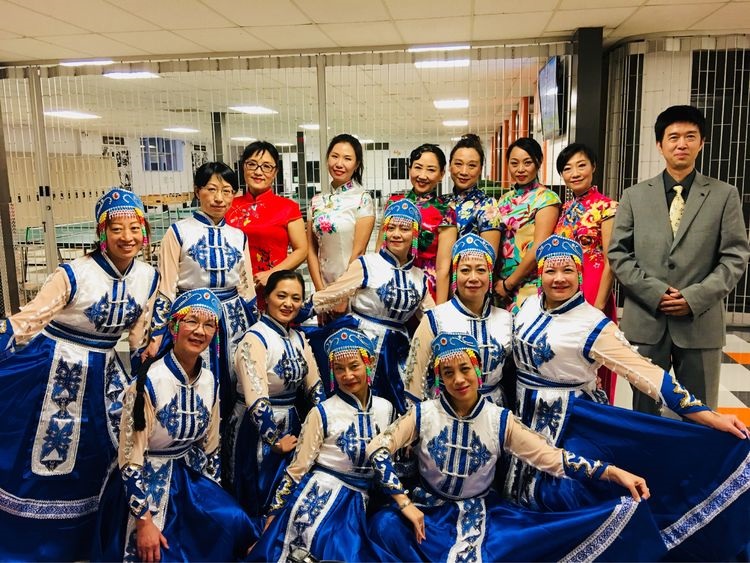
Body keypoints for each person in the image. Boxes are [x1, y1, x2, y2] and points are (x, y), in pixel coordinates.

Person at [508, 234, 750, 560]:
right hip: (522, 416)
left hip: (572, 420)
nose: (559, 278)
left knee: (566, 493)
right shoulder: (526, 307)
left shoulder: (593, 324)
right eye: (550, 271)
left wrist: (711, 417)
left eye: (568, 270)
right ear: (540, 274)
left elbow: (648, 376)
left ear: (580, 273)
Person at [366, 332, 668, 562]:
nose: (458, 380)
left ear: (478, 369)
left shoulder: (499, 420)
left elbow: (553, 459)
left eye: (465, 369)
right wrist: (404, 504)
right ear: (439, 379)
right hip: (429, 510)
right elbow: (377, 449)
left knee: (516, 545)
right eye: (448, 373)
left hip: (478, 513)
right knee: (385, 525)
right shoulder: (424, 414)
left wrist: (614, 473)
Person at [0, 188, 158, 561]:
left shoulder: (148, 276)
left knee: (107, 453)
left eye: (134, 228)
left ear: (144, 231)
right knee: (47, 460)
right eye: (116, 229)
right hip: (58, 369)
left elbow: (139, 338)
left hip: (106, 372)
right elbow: (28, 320)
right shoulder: (73, 273)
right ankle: (37, 543)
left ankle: (92, 538)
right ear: (102, 233)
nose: (127, 237)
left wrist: (148, 374)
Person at [93, 289, 256, 562]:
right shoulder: (148, 383)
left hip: (189, 478)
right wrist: (144, 521)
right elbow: (130, 460)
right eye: (192, 321)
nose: (200, 331)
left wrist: (213, 497)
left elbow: (211, 448)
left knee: (237, 523)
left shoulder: (209, 380)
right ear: (173, 327)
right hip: (146, 480)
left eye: (209, 325)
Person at [609, 105, 750, 413]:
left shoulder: (724, 195)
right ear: (660, 145)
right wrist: (655, 293)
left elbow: (735, 256)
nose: (681, 144)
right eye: (673, 137)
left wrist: (694, 297)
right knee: (645, 411)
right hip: (647, 322)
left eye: (690, 136)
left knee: (701, 413)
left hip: (700, 322)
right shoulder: (634, 196)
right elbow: (618, 253)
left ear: (702, 143)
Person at [247, 327, 394, 563]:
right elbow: (297, 470)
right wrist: (273, 517)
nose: (347, 375)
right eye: (339, 369)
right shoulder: (323, 412)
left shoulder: (386, 409)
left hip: (360, 500)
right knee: (336, 551)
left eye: (354, 366)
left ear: (369, 364)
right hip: (322, 495)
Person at [145, 161, 257, 422]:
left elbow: (246, 285)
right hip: (192, 316)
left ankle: (229, 442)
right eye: (211, 189)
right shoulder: (178, 232)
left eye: (227, 191)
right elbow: (166, 285)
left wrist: (255, 326)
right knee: (194, 379)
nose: (219, 198)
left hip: (233, 318)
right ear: (197, 191)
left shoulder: (238, 236)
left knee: (235, 379)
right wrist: (157, 333)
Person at [305, 199, 433, 414]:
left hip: (397, 351)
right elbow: (331, 295)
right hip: (361, 343)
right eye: (391, 228)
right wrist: (296, 312)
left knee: (398, 407)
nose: (396, 234)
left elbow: (433, 318)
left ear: (415, 234)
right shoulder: (367, 264)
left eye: (404, 229)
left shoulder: (420, 278)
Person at [227, 270, 325, 517]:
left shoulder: (298, 338)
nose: (288, 303)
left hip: (292, 422)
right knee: (256, 495)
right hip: (254, 428)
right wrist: (274, 440)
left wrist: (326, 422)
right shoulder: (255, 338)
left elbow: (315, 387)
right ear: (267, 297)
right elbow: (256, 400)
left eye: (295, 298)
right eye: (281, 296)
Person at [404, 234, 513, 407]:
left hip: (494, 410)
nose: (473, 278)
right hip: (446, 410)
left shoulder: (506, 319)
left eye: (481, 270)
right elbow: (413, 379)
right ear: (455, 274)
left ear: (490, 275)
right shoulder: (436, 318)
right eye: (465, 270)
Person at [554, 142, 619, 403]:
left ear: (594, 167)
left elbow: (611, 258)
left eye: (581, 165)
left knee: (593, 356)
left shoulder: (607, 207)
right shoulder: (564, 209)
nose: (575, 173)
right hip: (564, 287)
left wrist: (600, 305)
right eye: (567, 168)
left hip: (593, 287)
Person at [225, 141, 307, 309]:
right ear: (243, 167)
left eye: (266, 166)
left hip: (274, 290)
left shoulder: (288, 208)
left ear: (275, 172)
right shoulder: (229, 206)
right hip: (233, 289)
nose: (258, 171)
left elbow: (301, 250)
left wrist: (272, 274)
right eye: (252, 164)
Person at [380, 143, 457, 303]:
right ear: (410, 169)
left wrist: (439, 310)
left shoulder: (446, 212)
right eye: (418, 167)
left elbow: (443, 269)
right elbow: (380, 250)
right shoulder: (393, 203)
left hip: (426, 289)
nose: (422, 175)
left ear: (442, 174)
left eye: (431, 170)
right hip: (390, 284)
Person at [494, 137, 560, 312]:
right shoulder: (504, 199)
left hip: (528, 285)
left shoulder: (546, 198)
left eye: (527, 162)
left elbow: (540, 246)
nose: (520, 169)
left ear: (539, 162)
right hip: (499, 286)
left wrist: (509, 283)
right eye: (514, 163)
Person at [307, 134, 375, 298]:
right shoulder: (316, 201)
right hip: (322, 286)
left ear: (356, 164)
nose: (339, 164)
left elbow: (358, 252)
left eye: (347, 158)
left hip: (352, 288)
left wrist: (341, 294)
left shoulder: (362, 199)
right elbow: (311, 250)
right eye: (334, 156)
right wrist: (321, 291)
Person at [440, 134, 501, 261]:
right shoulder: (440, 202)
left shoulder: (488, 206)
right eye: (458, 164)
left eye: (472, 165)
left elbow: (489, 260)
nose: (464, 172)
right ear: (450, 166)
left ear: (480, 169)